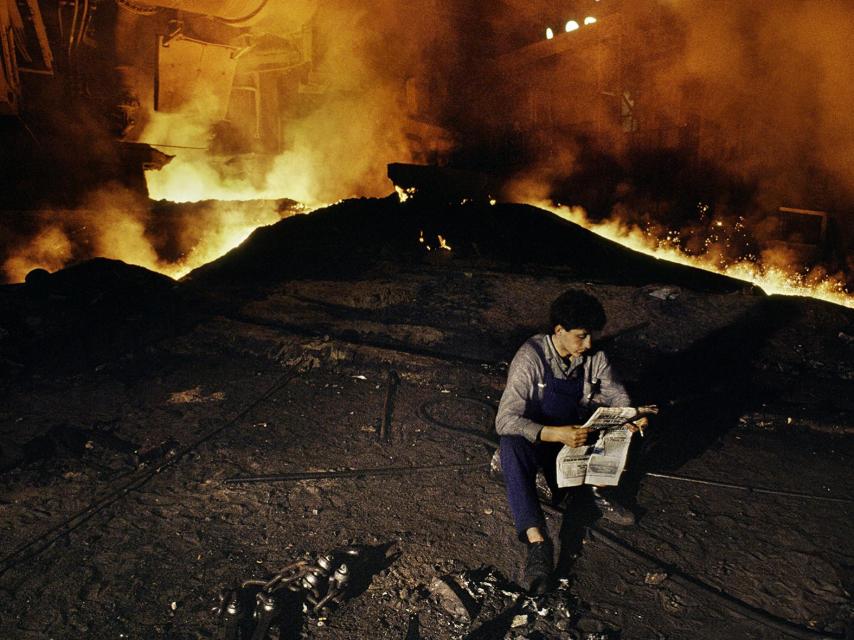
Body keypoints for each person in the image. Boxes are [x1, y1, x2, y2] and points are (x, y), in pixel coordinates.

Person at [495, 289, 648, 594]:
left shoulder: (595, 357)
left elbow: (618, 397)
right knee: (510, 445)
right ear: (559, 331)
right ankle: (538, 544)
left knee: (632, 428)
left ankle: (598, 490)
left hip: (577, 441)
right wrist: (556, 433)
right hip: (543, 440)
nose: (588, 344)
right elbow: (505, 420)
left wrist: (630, 416)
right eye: (581, 336)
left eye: (591, 336)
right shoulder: (531, 357)